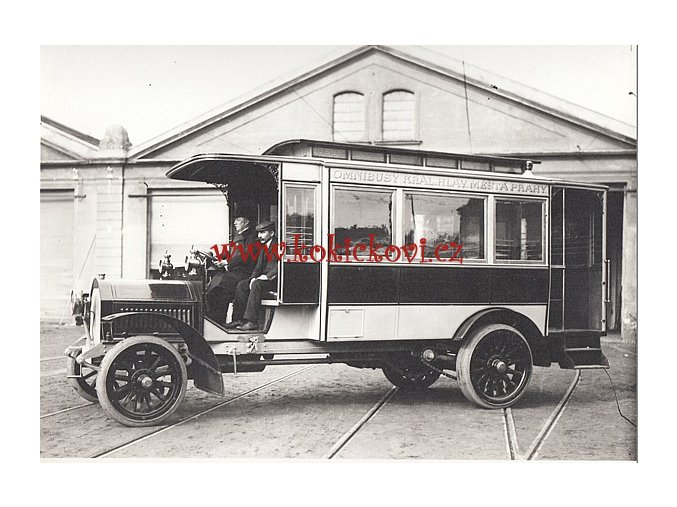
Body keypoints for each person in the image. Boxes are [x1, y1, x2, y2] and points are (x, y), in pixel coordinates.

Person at [225, 221, 278, 331]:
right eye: (258, 233)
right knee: (242, 284)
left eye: (263, 232)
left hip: (275, 281)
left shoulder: (278, 246)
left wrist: (267, 277)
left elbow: (279, 266)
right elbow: (258, 267)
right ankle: (238, 319)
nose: (259, 236)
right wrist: (253, 278)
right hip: (262, 279)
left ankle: (252, 321)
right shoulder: (264, 247)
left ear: (272, 233)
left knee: (257, 285)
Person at [205, 216, 258, 324]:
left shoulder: (252, 237)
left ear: (246, 222)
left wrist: (227, 262)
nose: (235, 223)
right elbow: (231, 252)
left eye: (238, 220)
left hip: (245, 272)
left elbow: (246, 255)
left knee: (217, 291)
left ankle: (216, 322)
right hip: (235, 272)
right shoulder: (238, 237)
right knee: (216, 291)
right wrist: (218, 257)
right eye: (234, 221)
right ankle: (217, 322)